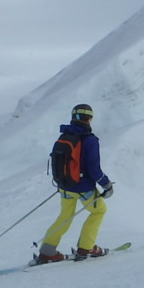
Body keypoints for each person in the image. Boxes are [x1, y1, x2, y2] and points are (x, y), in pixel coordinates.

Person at [35, 103, 115, 263]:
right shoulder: (89, 140)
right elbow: (94, 169)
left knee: (65, 215)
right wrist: (107, 185)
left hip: (65, 185)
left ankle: (47, 251)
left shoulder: (64, 135)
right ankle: (86, 247)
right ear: (89, 118)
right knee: (99, 211)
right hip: (83, 187)